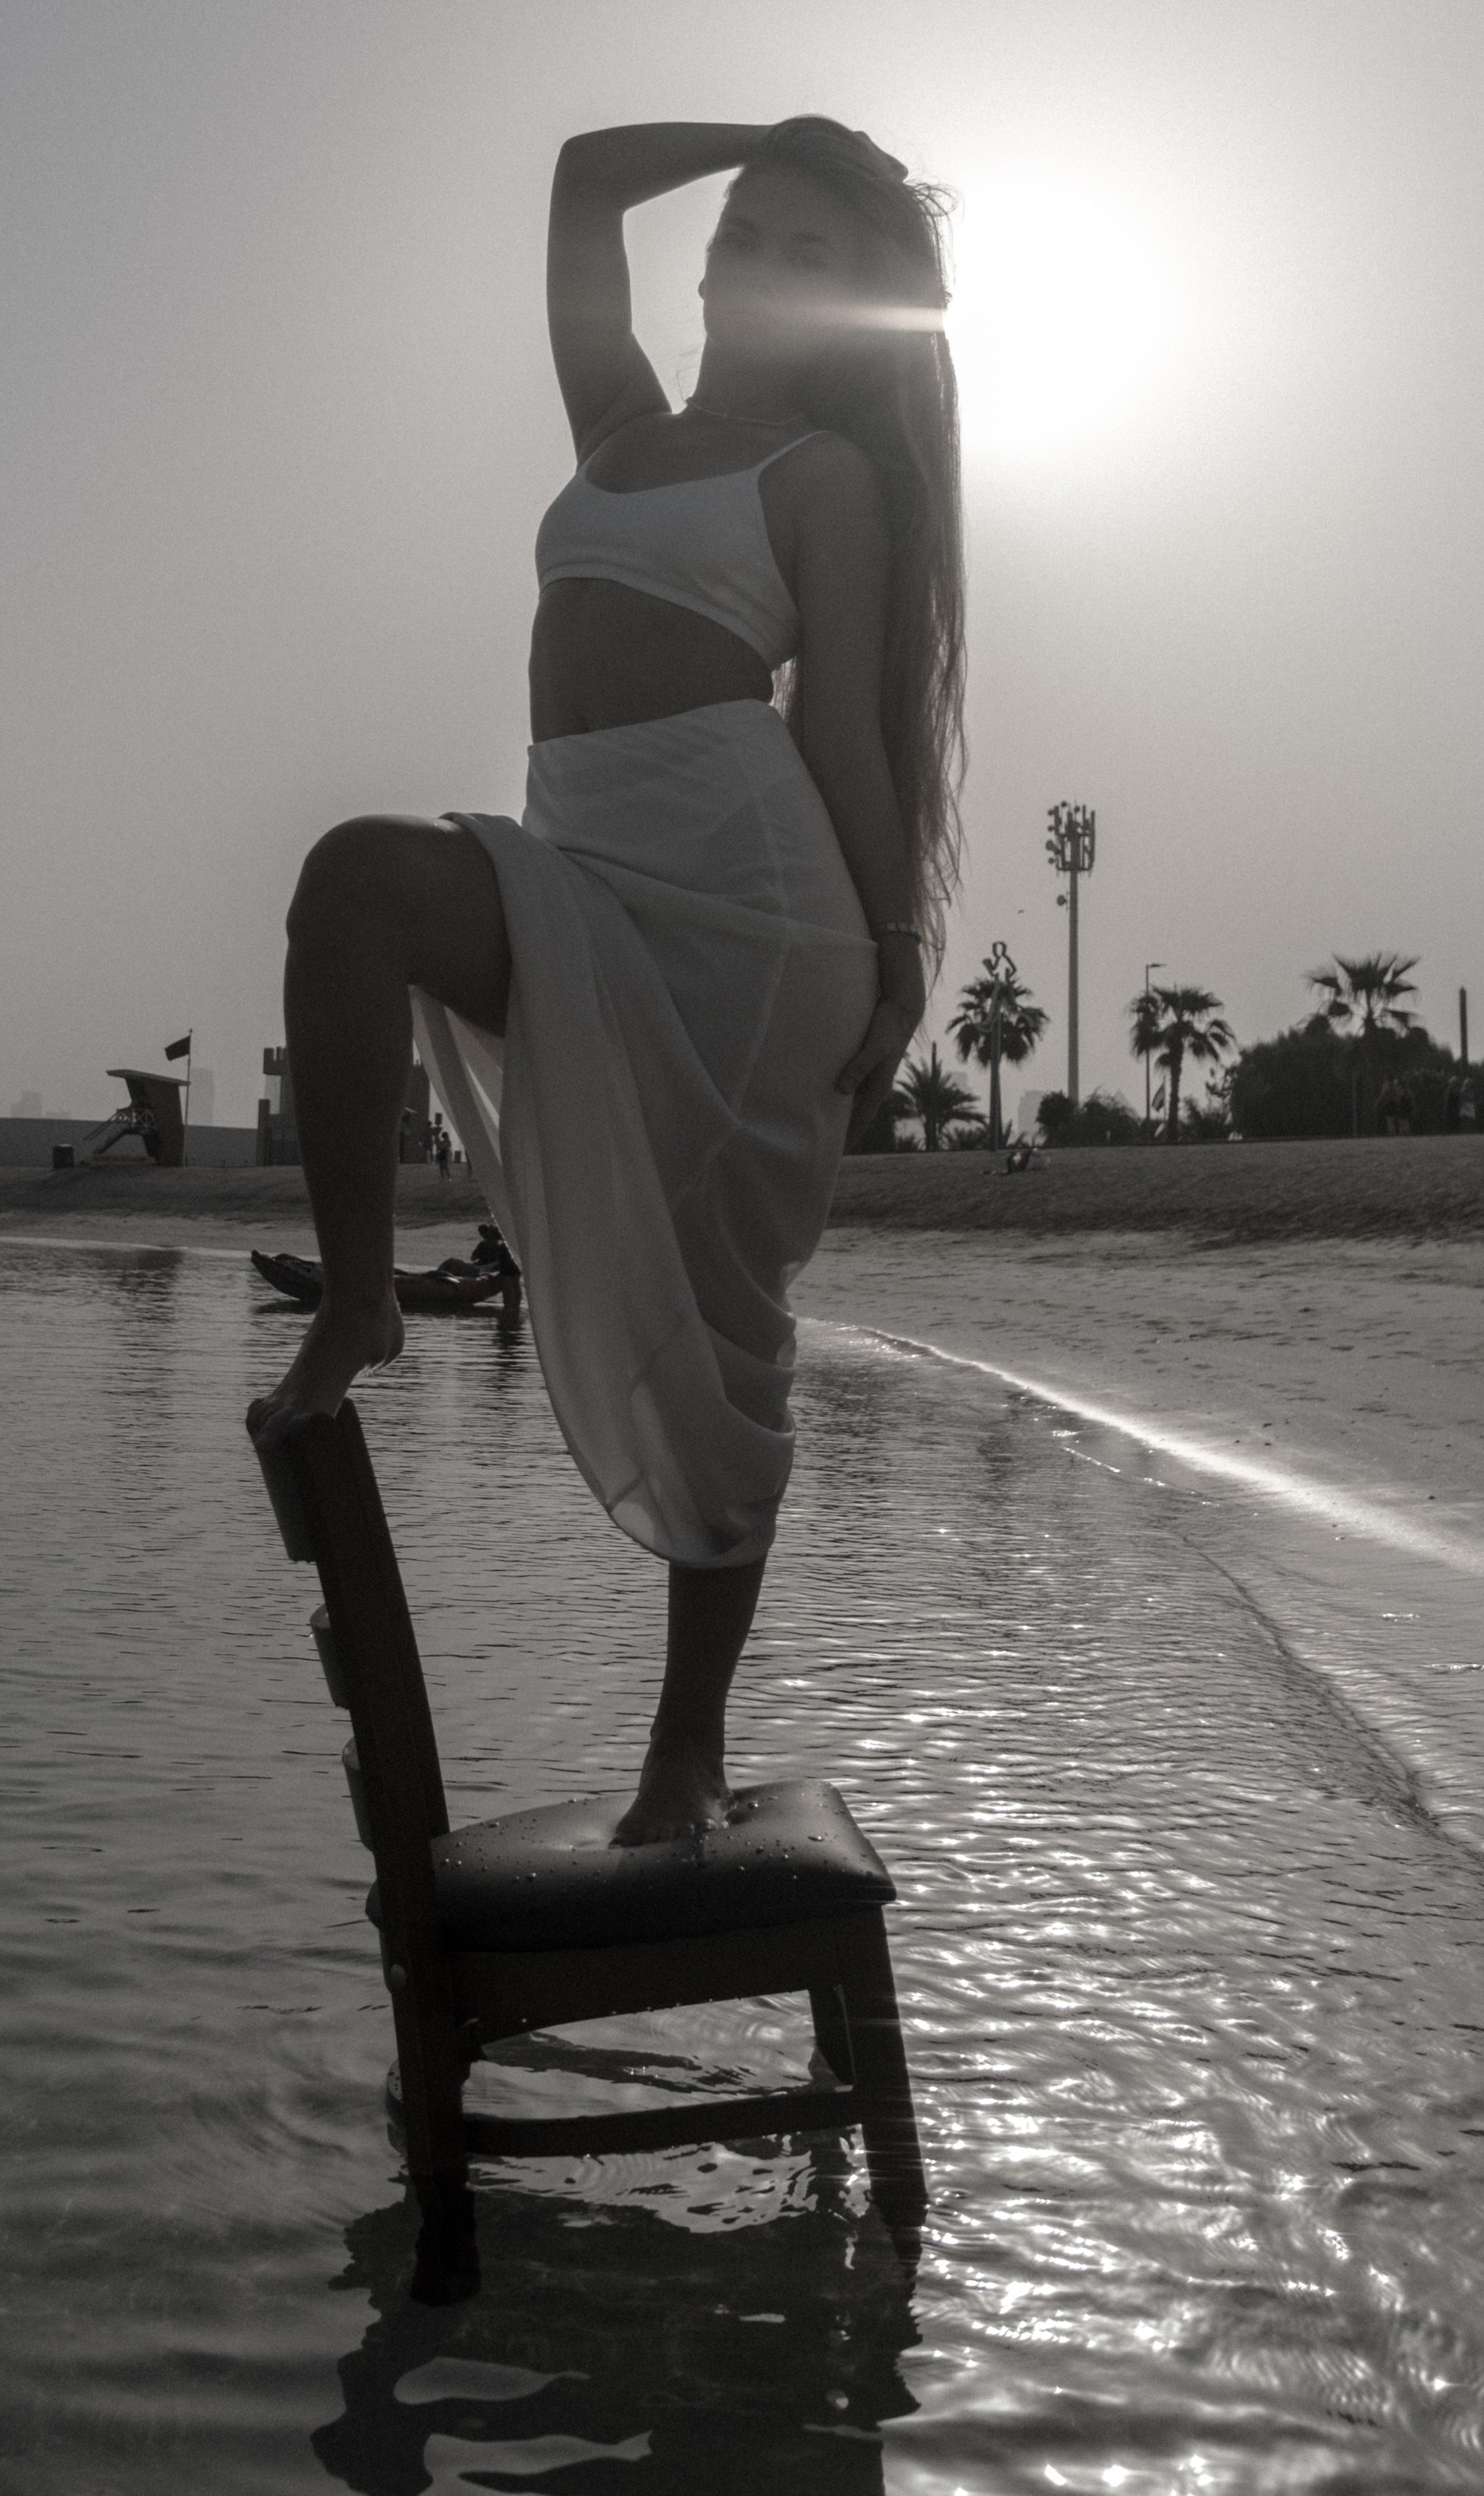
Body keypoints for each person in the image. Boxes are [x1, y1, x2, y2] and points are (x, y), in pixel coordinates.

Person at [247, 116, 965, 1839]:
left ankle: (681, 1754)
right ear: (705, 258)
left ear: (856, 312)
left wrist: (894, 958)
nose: (759, 264)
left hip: (749, 922)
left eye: (813, 252)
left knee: (728, 1345)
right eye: (748, 232)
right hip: (577, 875)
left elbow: (856, 749)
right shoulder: (625, 429)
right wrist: (763, 133)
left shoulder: (823, 475)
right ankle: (362, 1298)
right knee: (351, 886)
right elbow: (579, 178)